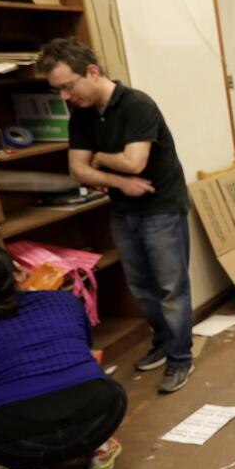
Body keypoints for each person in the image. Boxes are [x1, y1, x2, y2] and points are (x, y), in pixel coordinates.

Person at [38, 38, 194, 394]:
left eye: (68, 86)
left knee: (172, 288)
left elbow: (133, 161)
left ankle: (181, 358)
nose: (64, 96)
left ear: (92, 72)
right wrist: (119, 180)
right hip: (125, 210)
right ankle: (163, 342)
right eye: (57, 89)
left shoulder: (137, 104)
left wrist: (102, 160)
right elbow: (78, 170)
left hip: (161, 207)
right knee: (141, 287)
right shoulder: (81, 114)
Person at [0, 245, 128, 469]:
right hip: (99, 415)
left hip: (22, 438)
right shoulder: (64, 301)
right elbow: (85, 345)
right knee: (110, 388)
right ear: (18, 274)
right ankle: (98, 449)